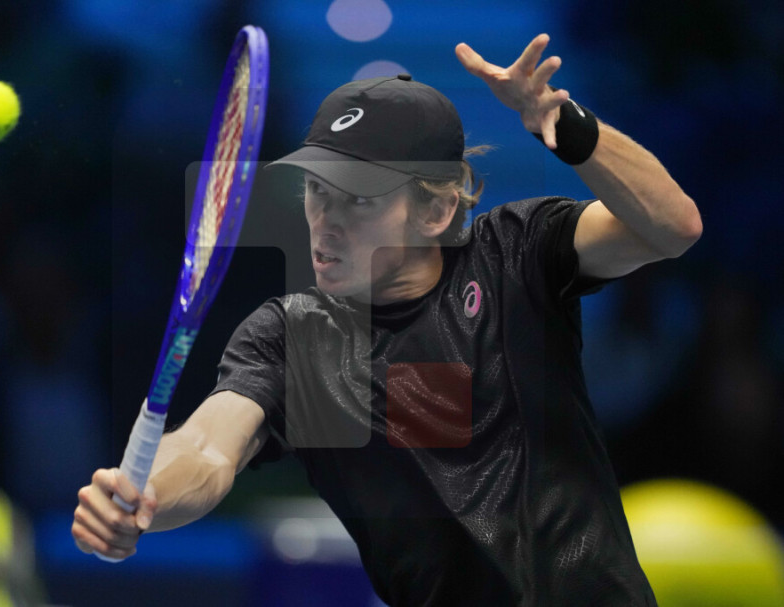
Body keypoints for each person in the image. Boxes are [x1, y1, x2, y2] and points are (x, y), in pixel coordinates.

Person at [73, 34, 701, 605]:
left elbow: (672, 228)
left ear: (436, 210)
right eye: (317, 190)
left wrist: (564, 125)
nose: (326, 220)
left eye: (358, 198)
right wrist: (143, 498)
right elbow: (208, 448)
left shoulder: (517, 252)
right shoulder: (293, 338)